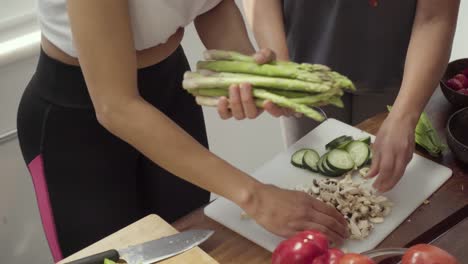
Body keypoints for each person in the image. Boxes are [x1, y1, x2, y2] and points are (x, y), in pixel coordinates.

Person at [17, 0, 348, 261]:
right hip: (78, 125)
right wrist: (255, 197)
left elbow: (211, 4)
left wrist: (248, 71)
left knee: (186, 252)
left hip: (171, 92)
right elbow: (116, 107)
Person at [225, 0, 459, 192]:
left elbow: (435, 17)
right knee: (311, 185)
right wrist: (281, 68)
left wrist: (404, 116)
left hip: (401, 72)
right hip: (302, 75)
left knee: (388, 190)